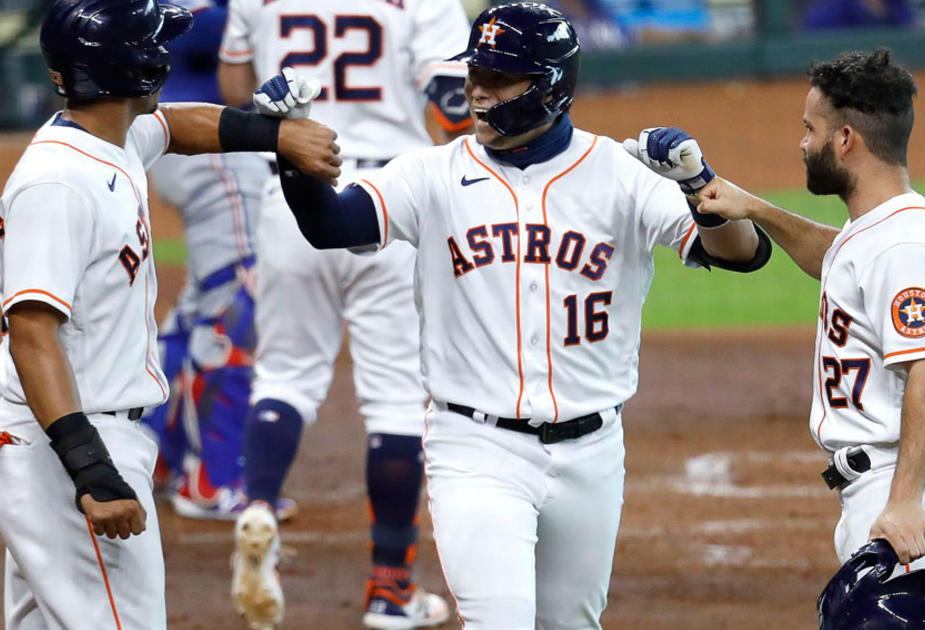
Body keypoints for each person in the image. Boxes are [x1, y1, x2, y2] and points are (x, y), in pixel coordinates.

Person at [263, 3, 771, 628]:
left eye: (499, 78)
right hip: (475, 447)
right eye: (475, 72)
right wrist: (289, 149)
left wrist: (701, 189)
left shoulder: (620, 173)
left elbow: (743, 254)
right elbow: (329, 225)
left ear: (550, 84)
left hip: (592, 450)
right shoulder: (433, 173)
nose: (477, 89)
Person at [0, 0, 338, 628]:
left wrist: (273, 133)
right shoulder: (57, 185)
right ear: (134, 65)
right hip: (68, 443)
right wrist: (90, 468)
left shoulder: (110, 137)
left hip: (71, 434)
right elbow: (31, 335)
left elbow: (178, 127)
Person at [694, 49, 925, 628]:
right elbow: (841, 258)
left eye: (811, 130)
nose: (802, 143)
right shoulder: (874, 233)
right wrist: (751, 206)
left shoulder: (903, 247)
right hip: (883, 484)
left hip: (913, 488)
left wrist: (904, 501)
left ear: (846, 139)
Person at [218, 0, 473, 627]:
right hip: (391, 199)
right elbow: (454, 105)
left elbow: (234, 87)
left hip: (293, 194)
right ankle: (391, 591)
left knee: (283, 377)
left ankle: (259, 505)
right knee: (394, 399)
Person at [139, 0, 297, 522]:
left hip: (186, 141)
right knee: (236, 304)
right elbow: (195, 30)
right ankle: (211, 478)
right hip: (212, 149)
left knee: (202, 304)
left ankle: (153, 453)